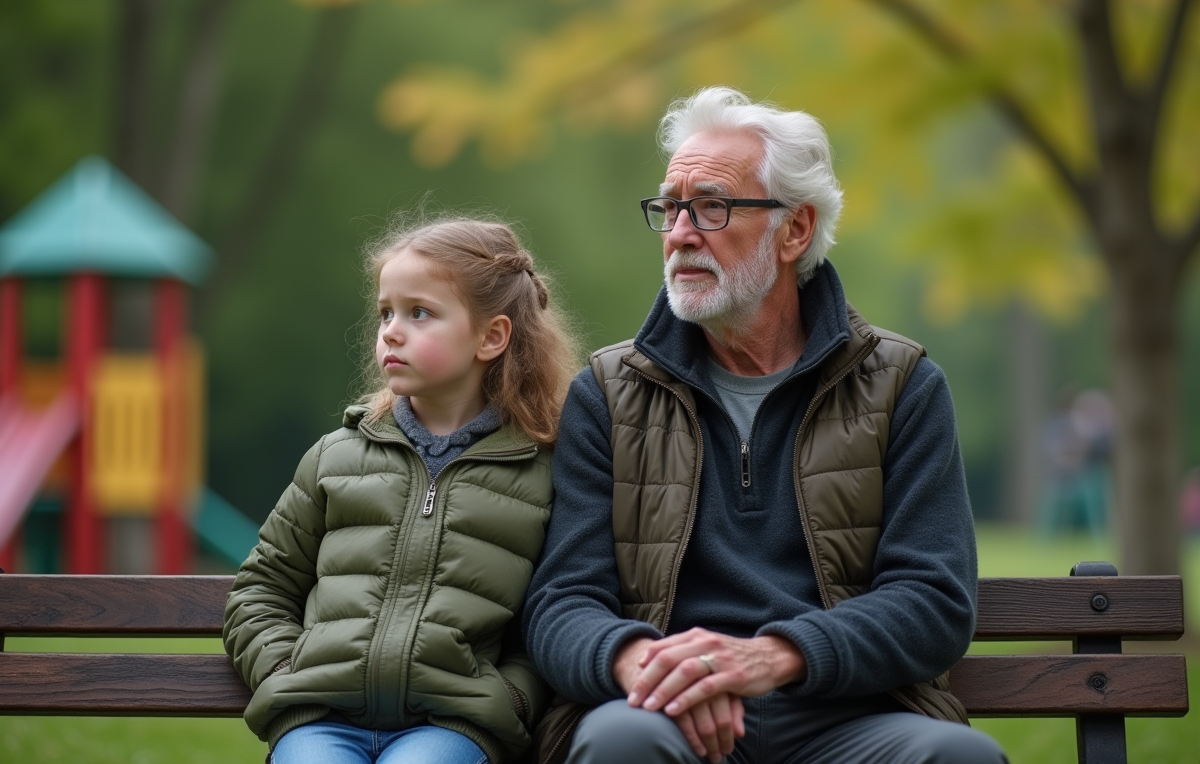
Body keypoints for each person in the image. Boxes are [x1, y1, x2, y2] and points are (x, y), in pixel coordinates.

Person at [523, 87, 1008, 764]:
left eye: (712, 207)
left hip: (844, 714)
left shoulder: (902, 384)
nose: (682, 232)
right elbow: (562, 601)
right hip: (667, 713)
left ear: (796, 230)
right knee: (619, 743)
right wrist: (647, 666)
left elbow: (933, 602)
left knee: (960, 759)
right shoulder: (608, 393)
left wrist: (772, 657)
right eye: (670, 208)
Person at [223, 218, 579, 764]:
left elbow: (547, 623)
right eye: (386, 312)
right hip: (322, 722)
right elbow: (261, 590)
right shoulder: (336, 457)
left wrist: (508, 698)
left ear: (491, 337)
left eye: (420, 313)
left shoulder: (543, 474)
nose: (391, 330)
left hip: (451, 729)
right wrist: (285, 671)